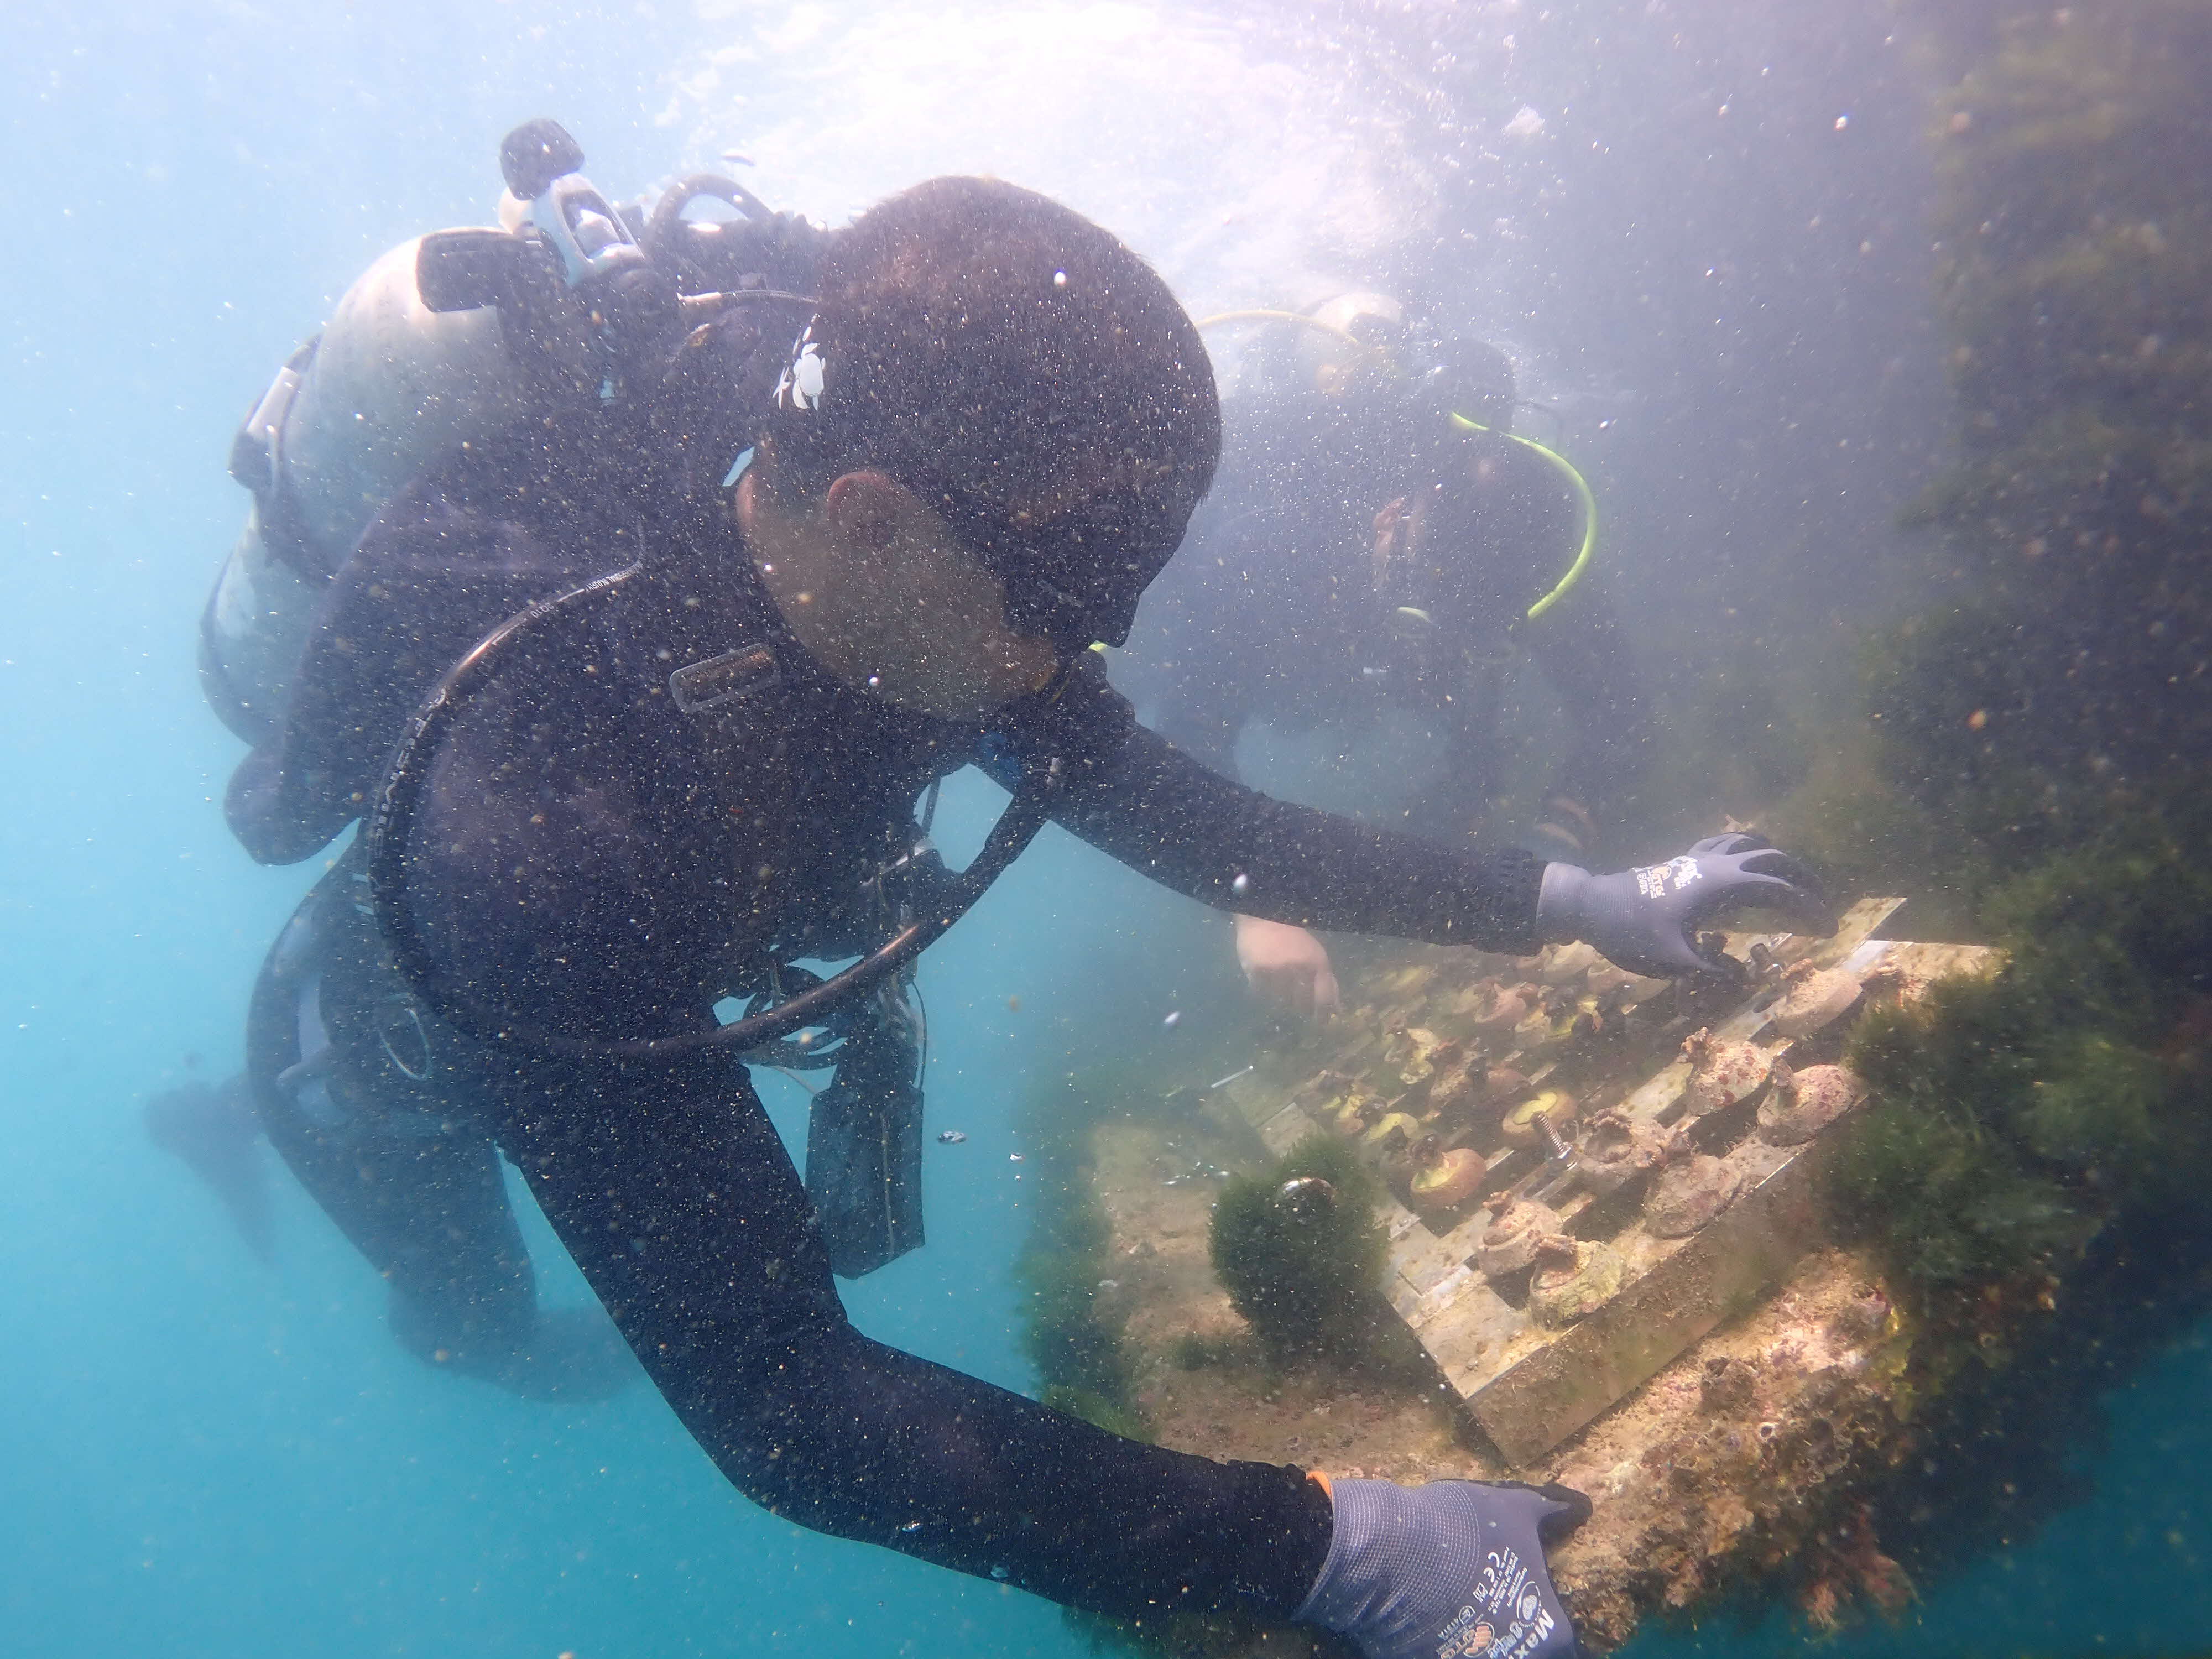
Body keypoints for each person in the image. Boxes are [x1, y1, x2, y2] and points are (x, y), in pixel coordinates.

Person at [209, 123, 1833, 1658]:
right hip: (403, 1048)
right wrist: (1330, 1553)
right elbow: (787, 1411)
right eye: (1067, 610)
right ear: (872, 523)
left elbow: (1188, 818)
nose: (1084, 663)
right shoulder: (528, 844)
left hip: (685, 926)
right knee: (484, 1324)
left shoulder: (918, 536)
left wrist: (1573, 897)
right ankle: (233, 1130)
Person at [1118, 294, 1651, 1023]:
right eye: (1436, 584)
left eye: (1477, 607)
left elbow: (1618, 709)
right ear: (1389, 523)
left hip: (1354, 664)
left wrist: (1556, 835)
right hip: (1269, 647)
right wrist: (1252, 902)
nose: (1445, 626)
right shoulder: (1266, 556)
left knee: (1462, 777)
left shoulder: (1516, 527)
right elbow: (1187, 744)